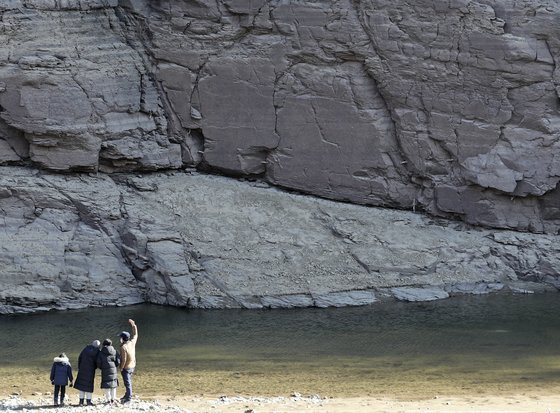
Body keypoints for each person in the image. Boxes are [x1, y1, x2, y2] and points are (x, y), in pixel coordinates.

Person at [74, 340, 100, 406]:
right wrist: (95, 367)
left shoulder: (85, 349)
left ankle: (81, 402)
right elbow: (98, 362)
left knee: (81, 386)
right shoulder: (97, 352)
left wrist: (80, 367)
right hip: (90, 371)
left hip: (82, 369)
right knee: (89, 385)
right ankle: (88, 402)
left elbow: (80, 357)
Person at [119, 319, 138, 403]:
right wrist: (133, 325)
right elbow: (135, 334)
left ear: (123, 339)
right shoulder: (132, 342)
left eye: (120, 337)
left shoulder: (123, 347)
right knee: (128, 381)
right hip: (133, 366)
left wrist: (121, 368)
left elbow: (124, 359)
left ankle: (129, 398)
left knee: (127, 383)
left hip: (126, 368)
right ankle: (127, 395)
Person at [96, 339, 119, 405]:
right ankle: (113, 399)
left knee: (107, 385)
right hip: (113, 370)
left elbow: (98, 363)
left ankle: (108, 400)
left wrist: (102, 368)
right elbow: (118, 361)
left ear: (104, 344)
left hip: (105, 370)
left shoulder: (101, 352)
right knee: (113, 385)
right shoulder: (114, 351)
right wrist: (115, 366)